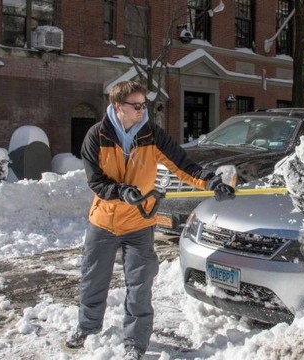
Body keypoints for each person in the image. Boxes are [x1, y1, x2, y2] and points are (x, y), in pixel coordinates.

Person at [65, 81, 235, 360]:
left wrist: (211, 181)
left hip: (139, 224)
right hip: (103, 222)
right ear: (118, 106)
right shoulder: (97, 136)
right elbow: (95, 181)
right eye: (137, 106)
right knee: (93, 280)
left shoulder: (151, 134)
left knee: (140, 285)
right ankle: (87, 327)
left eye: (145, 105)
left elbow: (182, 164)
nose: (143, 110)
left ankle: (135, 343)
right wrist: (120, 190)